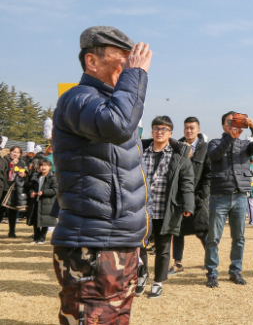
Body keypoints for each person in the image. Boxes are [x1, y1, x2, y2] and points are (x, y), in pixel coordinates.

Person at [51, 26, 152, 325]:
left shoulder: (114, 105)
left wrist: (137, 245)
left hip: (121, 242)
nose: (130, 65)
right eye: (123, 58)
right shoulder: (78, 99)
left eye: (132, 59)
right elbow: (116, 126)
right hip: (93, 244)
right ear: (92, 62)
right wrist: (136, 76)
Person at [136, 116, 194, 299]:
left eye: (164, 129)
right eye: (156, 128)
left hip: (165, 208)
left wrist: (188, 204)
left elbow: (187, 182)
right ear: (151, 131)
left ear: (170, 133)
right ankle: (141, 275)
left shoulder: (179, 156)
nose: (159, 132)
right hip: (141, 209)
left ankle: (158, 282)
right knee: (139, 245)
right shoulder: (140, 152)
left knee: (163, 247)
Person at [205, 112, 253, 288]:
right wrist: (230, 138)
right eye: (230, 122)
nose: (233, 124)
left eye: (236, 121)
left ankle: (235, 270)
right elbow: (215, 156)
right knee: (214, 237)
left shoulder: (245, 145)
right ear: (223, 125)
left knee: (239, 237)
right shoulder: (215, 142)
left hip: (239, 195)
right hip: (219, 195)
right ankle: (212, 272)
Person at [170, 117, 211, 276]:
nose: (189, 131)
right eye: (186, 128)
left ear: (198, 130)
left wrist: (201, 196)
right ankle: (177, 263)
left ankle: (210, 261)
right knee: (177, 231)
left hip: (197, 197)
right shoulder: (177, 146)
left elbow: (209, 174)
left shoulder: (205, 148)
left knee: (202, 231)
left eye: (192, 128)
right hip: (179, 197)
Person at [27, 159, 57, 243]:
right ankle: (36, 237)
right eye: (41, 165)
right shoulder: (36, 176)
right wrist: (31, 192)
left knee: (45, 222)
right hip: (36, 201)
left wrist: (44, 192)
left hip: (47, 203)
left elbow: (55, 190)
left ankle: (42, 238)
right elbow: (31, 187)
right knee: (35, 220)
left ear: (50, 167)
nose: (43, 167)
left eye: (45, 165)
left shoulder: (53, 177)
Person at [2, 146, 25, 224]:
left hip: (15, 188)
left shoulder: (22, 162)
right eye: (14, 152)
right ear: (10, 152)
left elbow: (26, 171)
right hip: (4, 187)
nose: (15, 154)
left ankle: (12, 231)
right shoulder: (4, 160)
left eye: (18, 152)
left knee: (13, 211)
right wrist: (10, 165)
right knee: (1, 209)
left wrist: (24, 174)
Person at [6, 164, 29, 238]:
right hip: (13, 197)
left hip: (25, 198)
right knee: (12, 214)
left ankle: (36, 234)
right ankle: (11, 231)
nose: (20, 172)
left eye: (22, 171)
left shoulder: (27, 179)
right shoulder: (13, 175)